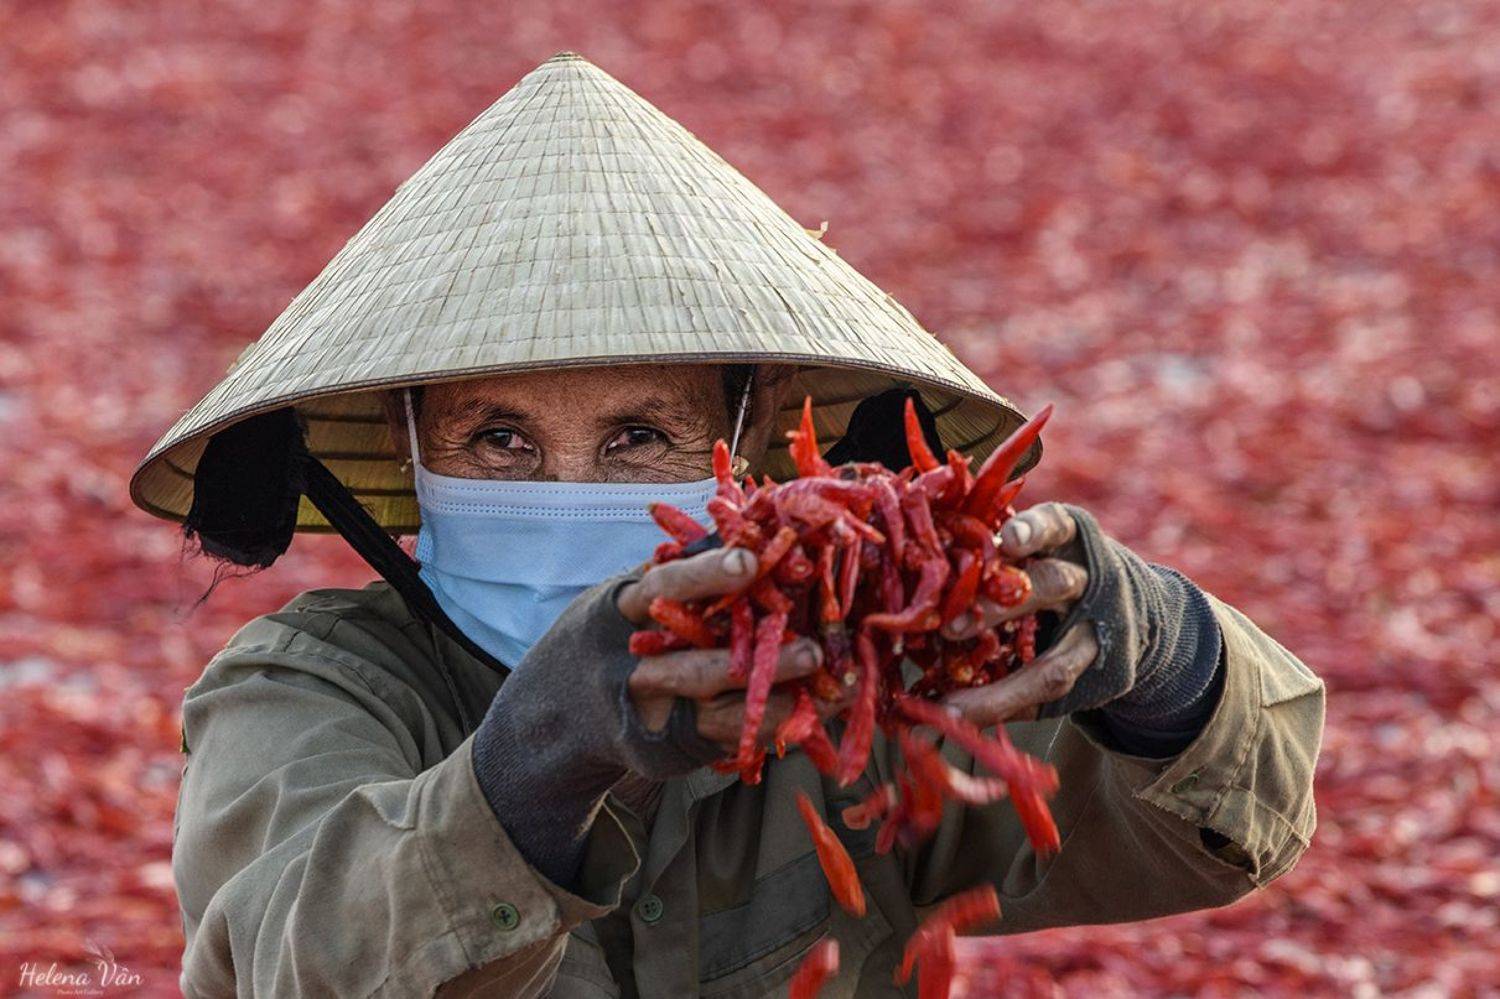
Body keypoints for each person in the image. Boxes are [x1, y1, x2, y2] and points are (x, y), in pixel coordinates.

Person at [132, 54, 1324, 998]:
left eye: (638, 439)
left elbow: (1222, 838)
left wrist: (1167, 659)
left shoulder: (859, 668)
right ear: (409, 456)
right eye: (498, 441)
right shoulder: (309, 693)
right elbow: (286, 963)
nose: (563, 491)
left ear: (742, 452)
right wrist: (537, 761)